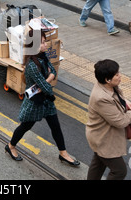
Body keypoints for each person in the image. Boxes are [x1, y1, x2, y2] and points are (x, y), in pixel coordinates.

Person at [6, 28, 80, 167]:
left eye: (45, 41)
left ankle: (63, 153)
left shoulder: (43, 57)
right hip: (35, 103)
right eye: (42, 42)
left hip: (46, 102)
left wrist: (49, 78)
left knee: (55, 127)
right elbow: (47, 86)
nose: (46, 45)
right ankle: (10, 146)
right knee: (25, 127)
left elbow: (54, 72)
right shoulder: (32, 66)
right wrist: (49, 79)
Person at [86, 59, 131, 180]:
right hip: (104, 139)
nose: (120, 76)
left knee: (98, 164)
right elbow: (120, 122)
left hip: (101, 136)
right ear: (107, 80)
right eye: (117, 75)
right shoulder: (101, 98)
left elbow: (116, 97)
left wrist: (125, 102)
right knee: (119, 171)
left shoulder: (106, 85)